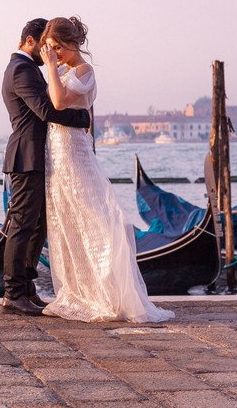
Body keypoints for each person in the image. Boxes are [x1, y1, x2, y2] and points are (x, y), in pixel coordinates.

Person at [39, 16, 173, 323]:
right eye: (49, 48)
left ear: (71, 44)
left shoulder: (84, 71)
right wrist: (52, 67)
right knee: (66, 222)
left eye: (56, 47)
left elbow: (58, 103)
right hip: (56, 154)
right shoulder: (60, 70)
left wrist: (50, 67)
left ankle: (108, 294)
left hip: (75, 154)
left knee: (95, 220)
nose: (53, 53)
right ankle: (78, 292)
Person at [1, 18, 92, 315]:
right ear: (30, 42)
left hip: (40, 157)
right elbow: (45, 110)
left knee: (38, 226)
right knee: (22, 225)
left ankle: (27, 288)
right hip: (27, 157)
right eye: (45, 47)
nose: (48, 53)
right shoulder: (21, 70)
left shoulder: (26, 69)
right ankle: (13, 293)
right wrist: (82, 120)